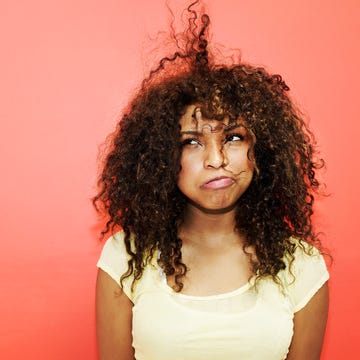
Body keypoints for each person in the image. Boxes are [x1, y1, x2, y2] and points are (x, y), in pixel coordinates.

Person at [94, 2, 329, 359]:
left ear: (261, 150)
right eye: (191, 142)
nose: (217, 160)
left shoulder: (302, 265)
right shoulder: (126, 258)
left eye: (233, 137)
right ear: (161, 159)